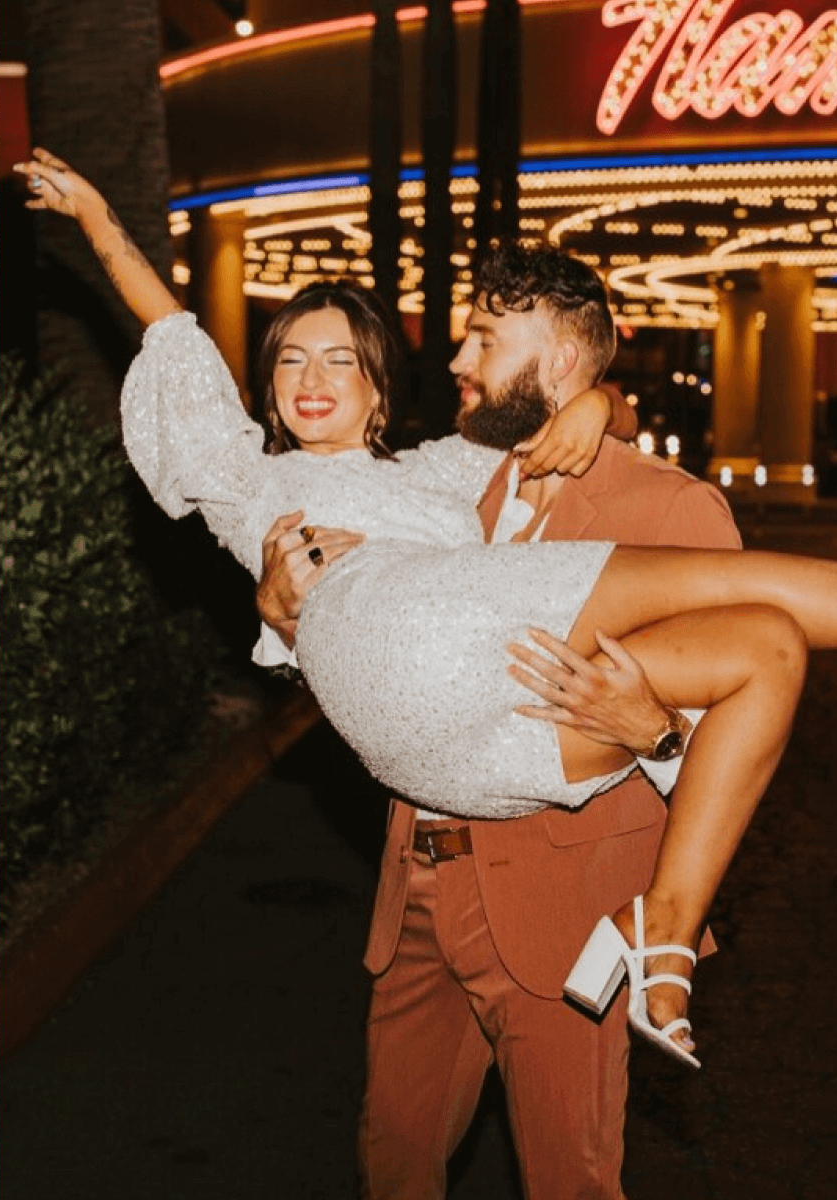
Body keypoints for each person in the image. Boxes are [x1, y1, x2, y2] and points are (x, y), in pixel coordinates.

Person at [14, 145, 837, 1077]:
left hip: (486, 745)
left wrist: (601, 399)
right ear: (266, 387)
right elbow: (175, 332)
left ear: (377, 387)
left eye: (341, 360)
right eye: (290, 361)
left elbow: (547, 411)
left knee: (770, 646)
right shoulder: (249, 482)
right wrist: (100, 222)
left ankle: (662, 928)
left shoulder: (443, 468)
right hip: (396, 644)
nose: (312, 378)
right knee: (737, 582)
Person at [258, 241, 736, 1197]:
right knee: (392, 1161)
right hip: (421, 891)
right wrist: (286, 618)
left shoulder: (674, 514)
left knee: (569, 1178)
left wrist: (653, 731)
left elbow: (740, 750)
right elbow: (384, 662)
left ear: (558, 361)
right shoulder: (453, 490)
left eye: (483, 337)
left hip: (563, 919)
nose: (457, 360)